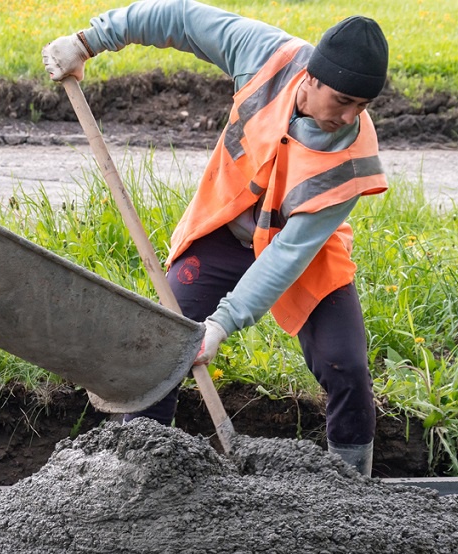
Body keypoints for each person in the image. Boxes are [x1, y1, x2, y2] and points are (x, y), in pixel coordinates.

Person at [42, 0, 389, 476]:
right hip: (223, 231)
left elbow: (286, 255)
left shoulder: (353, 160)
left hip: (302, 252)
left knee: (345, 365)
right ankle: (139, 476)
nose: (350, 118)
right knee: (164, 345)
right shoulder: (267, 57)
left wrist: (222, 324)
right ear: (310, 77)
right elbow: (181, 19)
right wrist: (88, 42)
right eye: (343, 101)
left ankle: (352, 491)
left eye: (363, 107)